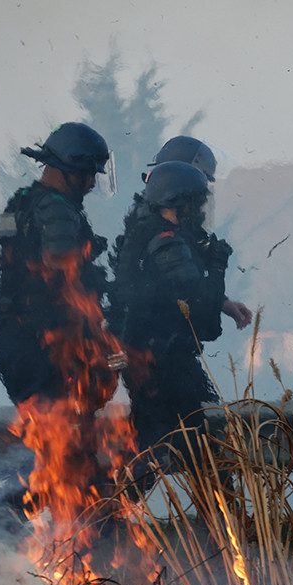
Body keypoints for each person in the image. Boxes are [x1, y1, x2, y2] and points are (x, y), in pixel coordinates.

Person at [0, 123, 121, 535]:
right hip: (42, 348)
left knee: (69, 456)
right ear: (69, 168)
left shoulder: (23, 201)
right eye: (87, 173)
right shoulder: (56, 210)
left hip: (22, 343)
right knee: (60, 459)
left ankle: (84, 543)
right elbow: (64, 275)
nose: (91, 183)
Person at [109, 159, 252, 462]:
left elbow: (176, 292)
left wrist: (224, 302)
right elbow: (198, 302)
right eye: (195, 202)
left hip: (152, 358)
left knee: (174, 446)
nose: (198, 210)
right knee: (169, 447)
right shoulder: (166, 242)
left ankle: (126, 489)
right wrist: (217, 266)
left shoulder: (150, 231)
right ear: (181, 202)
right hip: (163, 363)